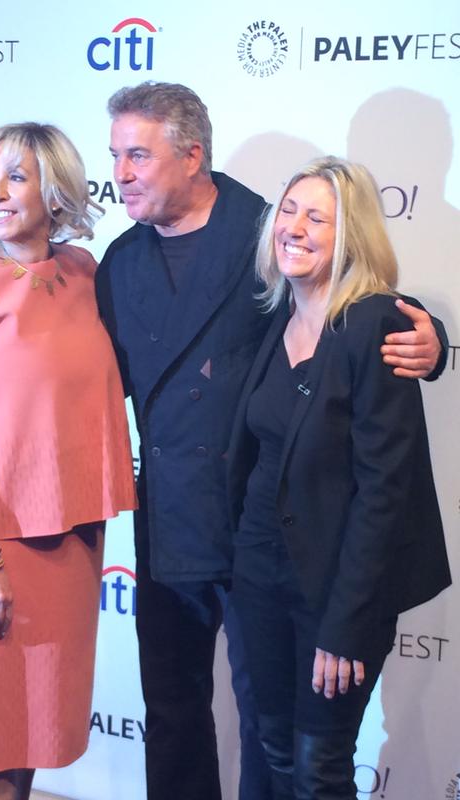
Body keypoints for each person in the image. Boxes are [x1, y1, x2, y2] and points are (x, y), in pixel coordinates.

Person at [95, 82, 447, 800]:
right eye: (116, 156)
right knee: (175, 711)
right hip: (171, 518)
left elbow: (355, 299)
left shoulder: (261, 228)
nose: (121, 173)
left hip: (262, 530)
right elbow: (90, 374)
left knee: (278, 738)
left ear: (192, 155)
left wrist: (432, 340)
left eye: (138, 155)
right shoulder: (120, 262)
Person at [0, 123, 137, 800]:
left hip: (72, 536)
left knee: (35, 732)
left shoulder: (83, 273)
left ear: (56, 191)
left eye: (17, 176)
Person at [227, 156, 451, 800]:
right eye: (288, 211)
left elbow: (385, 492)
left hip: (334, 592)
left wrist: (347, 625)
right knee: (273, 749)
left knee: (319, 767)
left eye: (317, 218)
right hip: (258, 578)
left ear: (350, 235)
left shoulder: (376, 324)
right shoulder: (276, 314)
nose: (294, 228)